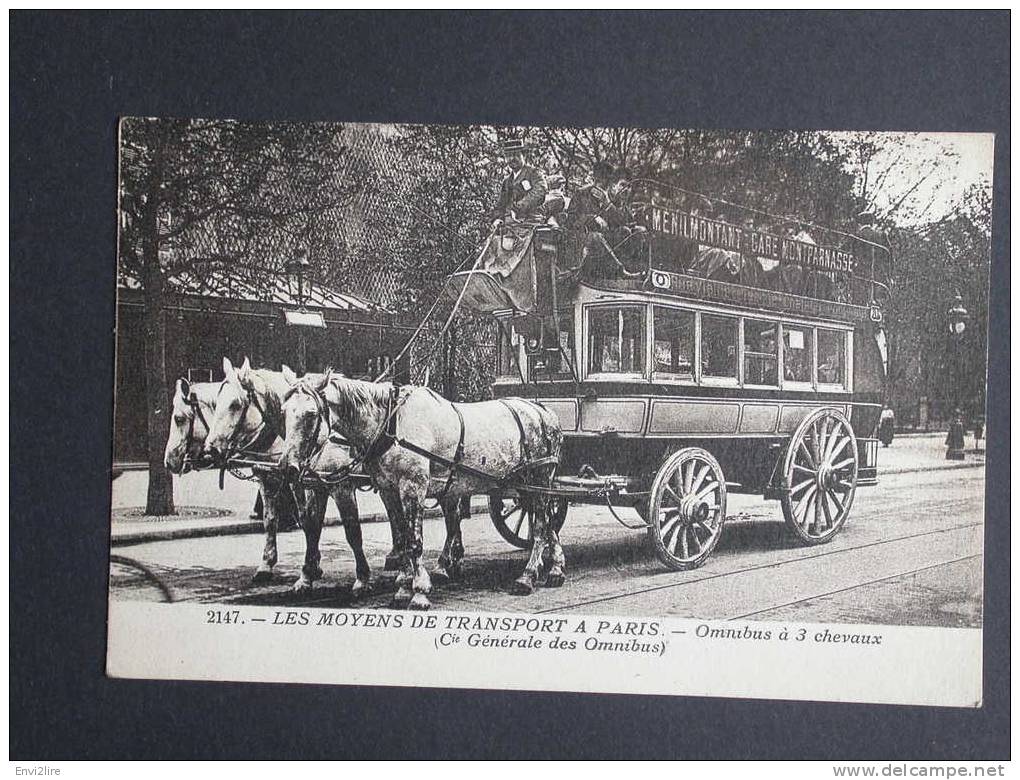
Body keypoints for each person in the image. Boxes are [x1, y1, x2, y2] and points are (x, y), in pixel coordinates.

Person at [492, 137, 548, 228]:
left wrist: (518, 208)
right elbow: (501, 204)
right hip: (509, 225)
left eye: (516, 154)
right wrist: (497, 218)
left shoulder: (534, 173)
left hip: (531, 221)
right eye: (508, 155)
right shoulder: (507, 182)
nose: (512, 159)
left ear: (524, 155)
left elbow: (540, 190)